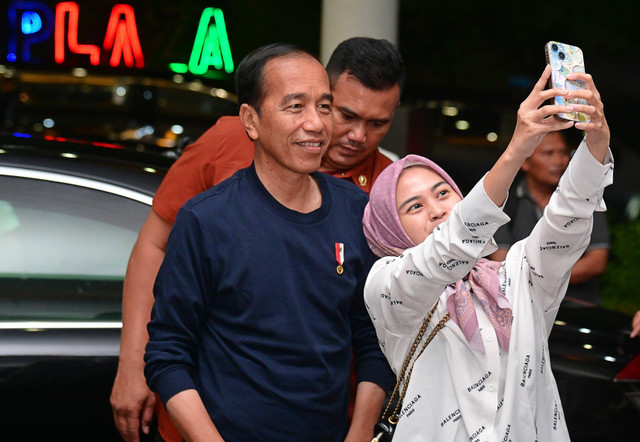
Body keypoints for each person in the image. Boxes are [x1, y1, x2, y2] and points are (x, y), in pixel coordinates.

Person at [110, 37, 404, 442]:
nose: (352, 134)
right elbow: (166, 334)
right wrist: (132, 363)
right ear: (251, 121)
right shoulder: (210, 204)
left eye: (377, 124)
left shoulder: (374, 199)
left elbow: (377, 331)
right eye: (343, 113)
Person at [361, 65, 611, 440]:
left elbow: (566, 225)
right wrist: (518, 148)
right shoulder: (387, 284)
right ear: (389, 230)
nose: (435, 209)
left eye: (443, 193)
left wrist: (596, 142)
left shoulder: (514, 275)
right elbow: (449, 247)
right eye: (413, 207)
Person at [488, 130, 610, 306]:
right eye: (548, 153)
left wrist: (540, 280)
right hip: (521, 305)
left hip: (577, 304)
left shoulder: (585, 199)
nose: (559, 161)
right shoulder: (505, 202)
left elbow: (596, 261)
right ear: (525, 162)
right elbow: (502, 263)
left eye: (563, 153)